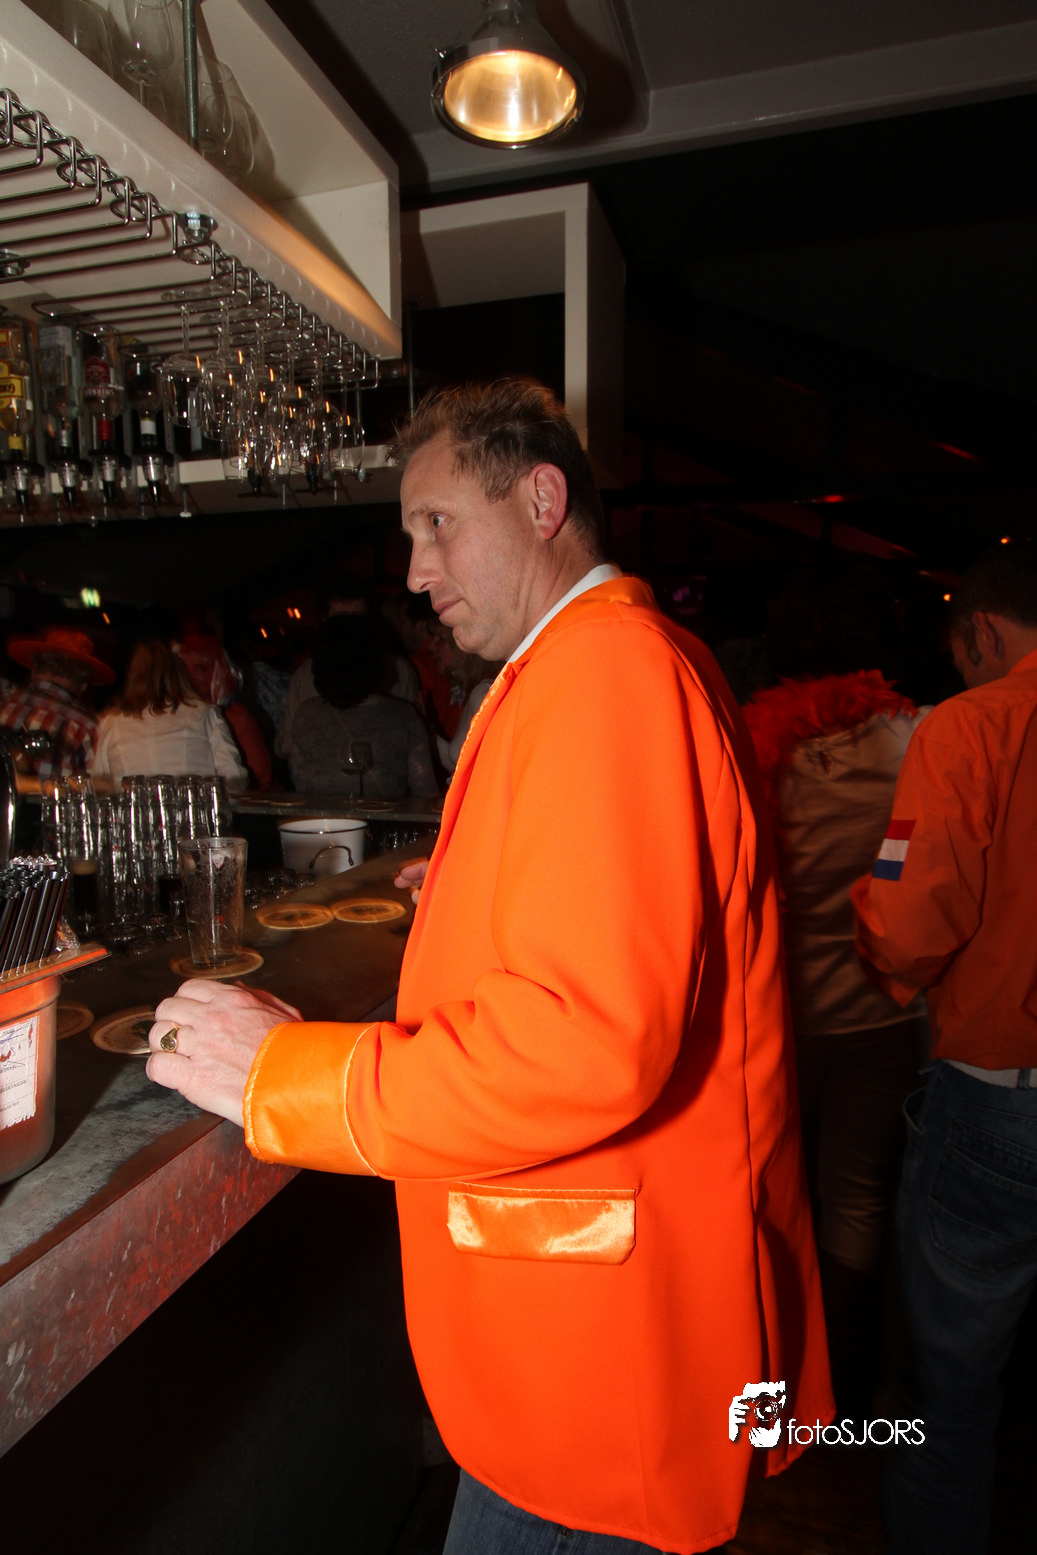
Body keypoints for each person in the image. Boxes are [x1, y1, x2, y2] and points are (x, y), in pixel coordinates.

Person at [146, 379, 832, 1555]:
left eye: (436, 524)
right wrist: (472, 882)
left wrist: (285, 1074)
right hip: (602, 1347)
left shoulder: (603, 670)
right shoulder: (619, 658)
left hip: (587, 1379)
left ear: (540, 500)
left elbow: (582, 1041)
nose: (415, 571)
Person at [851, 542, 1037, 1555]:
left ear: (980, 632)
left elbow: (910, 928)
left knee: (945, 1400)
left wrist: (864, 918)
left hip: (998, 1102)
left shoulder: (971, 726)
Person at [741, 568, 930, 1409]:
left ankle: (772, 1361)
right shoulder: (915, 737)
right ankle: (843, 1370)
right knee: (855, 1196)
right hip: (882, 1011)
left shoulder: (753, 745)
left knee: (763, 1188)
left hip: (782, 1013)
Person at [287, 613, 439, 799]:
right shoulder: (404, 716)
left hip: (322, 817)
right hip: (383, 817)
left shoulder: (306, 714)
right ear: (377, 661)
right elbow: (426, 793)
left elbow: (301, 785)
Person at [91, 638, 247, 791]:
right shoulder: (205, 713)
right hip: (191, 806)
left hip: (133, 807)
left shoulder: (109, 722)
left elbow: (99, 785)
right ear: (177, 673)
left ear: (132, 677)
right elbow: (234, 777)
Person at [0, 626, 113, 779]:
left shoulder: (3, 707)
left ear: (34, 671)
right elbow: (95, 786)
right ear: (84, 684)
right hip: (52, 795)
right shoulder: (88, 726)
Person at [178, 634, 273, 791]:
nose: (189, 676)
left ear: (219, 672)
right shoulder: (177, 717)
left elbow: (262, 777)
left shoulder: (235, 717)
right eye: (183, 669)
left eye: (200, 668)